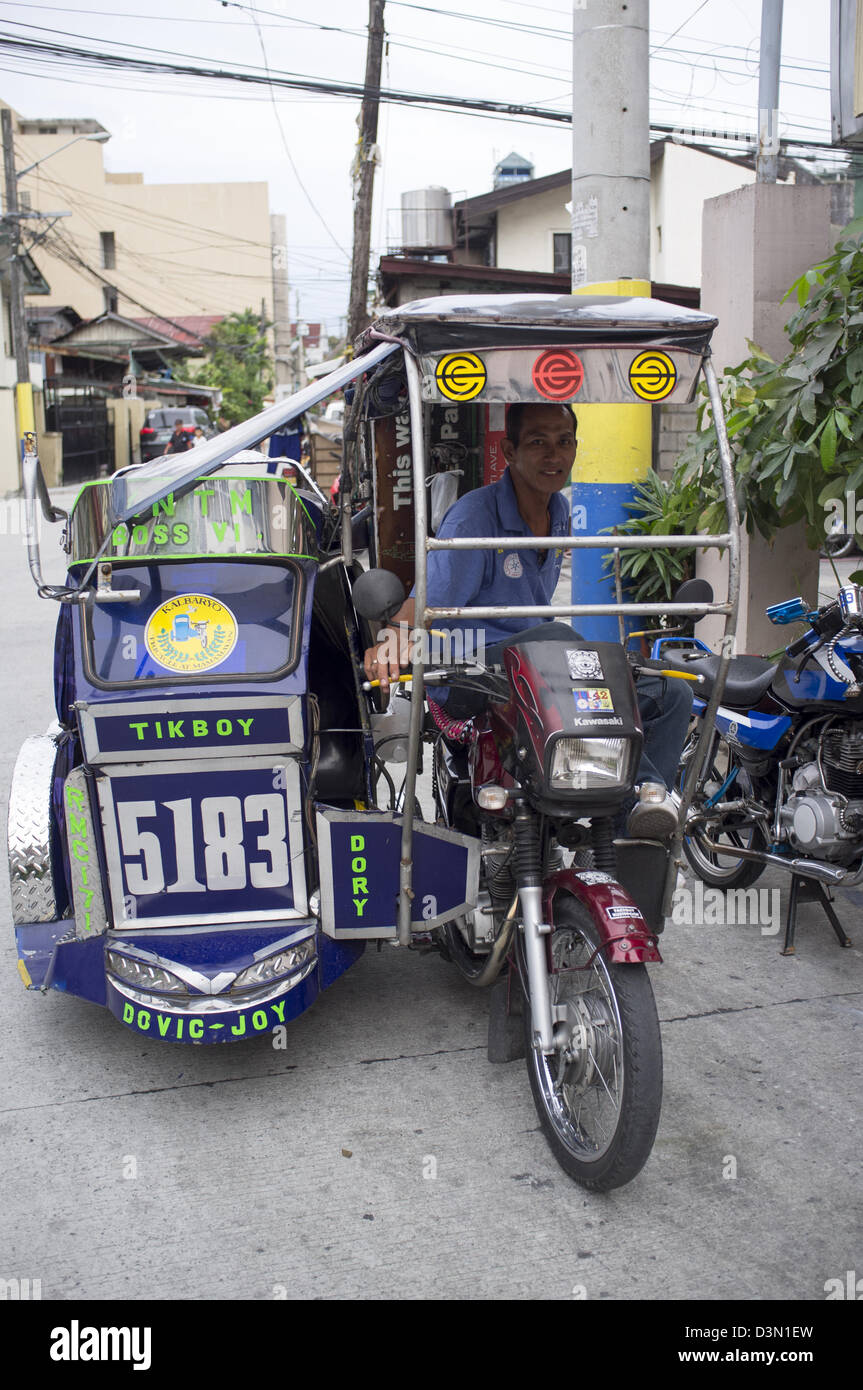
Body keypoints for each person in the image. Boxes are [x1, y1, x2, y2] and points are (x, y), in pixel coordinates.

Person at [363, 401, 690, 838]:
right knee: (560, 638)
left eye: (564, 442)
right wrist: (394, 640)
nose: (554, 455)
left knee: (672, 693)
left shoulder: (558, 513)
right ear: (510, 450)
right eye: (538, 442)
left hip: (539, 673)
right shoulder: (475, 517)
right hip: (470, 672)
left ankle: (630, 830)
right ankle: (645, 791)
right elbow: (426, 599)